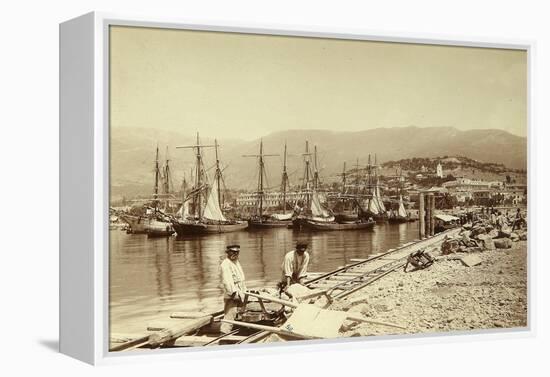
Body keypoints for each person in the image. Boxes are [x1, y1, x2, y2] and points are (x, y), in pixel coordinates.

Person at [219, 244, 247, 334]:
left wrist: (244, 292)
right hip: (232, 294)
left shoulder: (236, 262)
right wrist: (233, 293)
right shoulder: (225, 264)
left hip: (240, 292)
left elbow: (241, 278)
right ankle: (224, 332)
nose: (235, 254)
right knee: (230, 314)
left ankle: (238, 329)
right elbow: (227, 281)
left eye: (237, 252)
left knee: (239, 312)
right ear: (228, 252)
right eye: (233, 252)